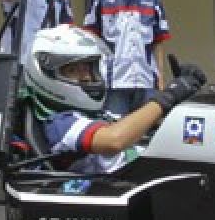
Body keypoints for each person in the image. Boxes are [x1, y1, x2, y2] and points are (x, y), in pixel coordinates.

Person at [21, 25, 205, 174]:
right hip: (125, 188)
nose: (86, 78)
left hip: (145, 173)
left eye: (87, 68)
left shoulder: (95, 114)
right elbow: (115, 140)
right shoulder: (60, 123)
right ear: (45, 74)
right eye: (73, 70)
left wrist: (183, 99)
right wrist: (168, 97)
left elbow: (140, 128)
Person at [83, 0, 171, 116]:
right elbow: (90, 38)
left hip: (146, 82)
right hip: (113, 83)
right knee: (115, 135)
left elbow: (159, 40)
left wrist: (161, 77)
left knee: (145, 135)